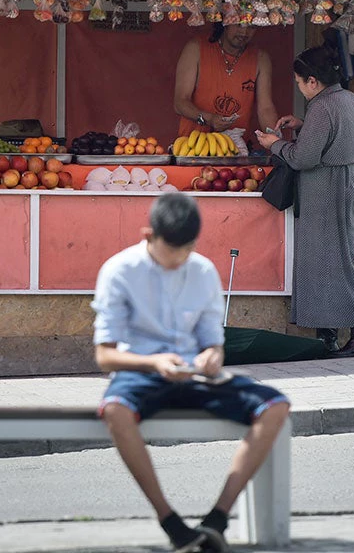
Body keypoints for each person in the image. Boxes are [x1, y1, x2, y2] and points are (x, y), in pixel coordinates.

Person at [92, 193, 291, 553]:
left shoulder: (202, 271)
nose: (178, 261)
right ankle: (170, 522)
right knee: (116, 410)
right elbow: (105, 357)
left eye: (185, 251)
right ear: (147, 234)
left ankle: (217, 518)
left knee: (275, 404)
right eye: (171, 252)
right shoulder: (119, 271)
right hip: (140, 372)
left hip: (193, 376)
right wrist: (154, 363)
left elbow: (213, 343)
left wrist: (213, 356)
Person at [254, 45, 354, 358]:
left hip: (330, 190)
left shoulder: (322, 107)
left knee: (338, 265)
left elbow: (305, 158)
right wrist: (302, 125)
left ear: (312, 81)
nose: (298, 87)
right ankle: (328, 337)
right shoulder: (349, 100)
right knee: (331, 263)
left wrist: (276, 144)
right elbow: (336, 138)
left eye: (298, 82)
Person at [174, 22, 280, 146]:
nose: (244, 32)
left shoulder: (261, 58)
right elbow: (180, 102)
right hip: (192, 146)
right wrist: (209, 119)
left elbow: (265, 108)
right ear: (225, 22)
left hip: (236, 147)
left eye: (251, 27)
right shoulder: (196, 48)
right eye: (239, 25)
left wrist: (277, 143)